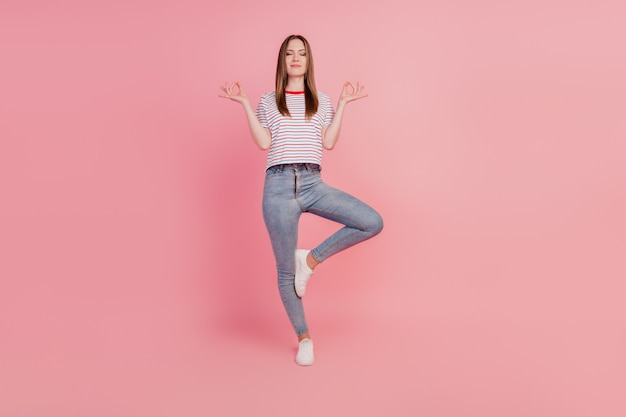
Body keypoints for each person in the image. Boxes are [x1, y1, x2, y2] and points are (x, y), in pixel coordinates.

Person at [218, 34, 383, 366]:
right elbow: (264, 142)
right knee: (283, 271)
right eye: (290, 53)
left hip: (312, 183)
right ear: (283, 61)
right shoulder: (268, 101)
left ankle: (308, 261)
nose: (296, 58)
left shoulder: (320, 100)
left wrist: (344, 105)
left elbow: (330, 142)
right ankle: (304, 338)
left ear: (309, 61)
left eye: (302, 53)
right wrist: (246, 105)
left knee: (371, 221)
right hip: (277, 187)